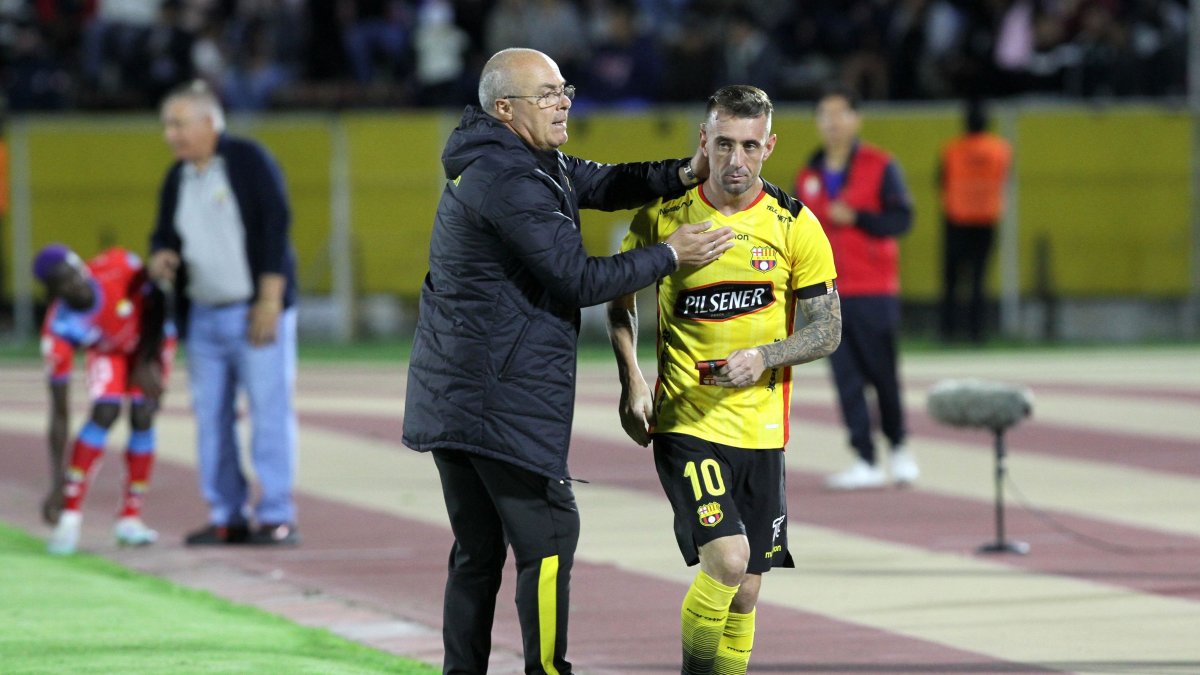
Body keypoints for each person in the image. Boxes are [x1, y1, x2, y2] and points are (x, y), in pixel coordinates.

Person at [401, 47, 735, 675]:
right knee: (550, 537)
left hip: (461, 390)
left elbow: (600, 183)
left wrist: (683, 174)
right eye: (549, 94)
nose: (565, 103)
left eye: (565, 89)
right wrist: (670, 255)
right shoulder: (509, 178)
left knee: (476, 551)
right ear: (505, 108)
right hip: (497, 394)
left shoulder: (514, 159)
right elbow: (576, 280)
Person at [607, 85, 841, 675]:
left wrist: (766, 355)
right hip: (686, 420)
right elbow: (618, 300)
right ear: (703, 141)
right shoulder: (664, 215)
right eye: (724, 144)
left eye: (750, 146)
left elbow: (828, 329)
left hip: (762, 431)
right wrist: (632, 377)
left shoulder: (795, 225)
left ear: (769, 146)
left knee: (746, 592)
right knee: (730, 561)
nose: (736, 161)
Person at [148, 79, 300, 546]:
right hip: (205, 318)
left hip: (255, 311)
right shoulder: (178, 176)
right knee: (211, 419)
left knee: (268, 414)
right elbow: (164, 235)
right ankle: (226, 515)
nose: (171, 134)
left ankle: (276, 515)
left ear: (210, 122)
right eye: (167, 125)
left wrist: (270, 300)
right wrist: (161, 256)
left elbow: (276, 225)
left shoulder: (249, 161)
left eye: (179, 123)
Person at [794, 84, 919, 490]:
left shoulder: (881, 165)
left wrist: (859, 218)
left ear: (856, 119)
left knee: (882, 374)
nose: (831, 123)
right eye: (824, 115)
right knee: (845, 377)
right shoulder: (808, 175)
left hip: (872, 287)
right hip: (826, 292)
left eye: (839, 113)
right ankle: (864, 458)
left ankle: (898, 449)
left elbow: (902, 220)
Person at [34, 244, 175, 555]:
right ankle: (70, 514)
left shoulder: (118, 265)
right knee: (105, 411)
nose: (73, 285)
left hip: (150, 340)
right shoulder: (59, 327)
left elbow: (159, 300)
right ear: (53, 293)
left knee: (143, 414)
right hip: (108, 350)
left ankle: (130, 517)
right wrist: (56, 483)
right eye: (61, 284)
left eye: (73, 274)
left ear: (81, 266)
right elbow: (60, 411)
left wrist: (148, 361)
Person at [938, 98, 1012, 344]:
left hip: (956, 218)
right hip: (986, 219)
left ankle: (948, 332)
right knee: (979, 279)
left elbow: (941, 181)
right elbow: (1005, 178)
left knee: (951, 280)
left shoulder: (952, 149)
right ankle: (976, 333)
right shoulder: (1000, 149)